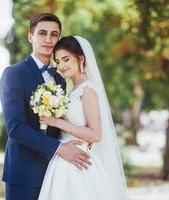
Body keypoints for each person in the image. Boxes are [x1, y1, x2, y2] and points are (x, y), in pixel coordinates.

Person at [0, 14, 91, 200]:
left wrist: (79, 138)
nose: (48, 39)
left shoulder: (60, 79)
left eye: (54, 34)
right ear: (30, 36)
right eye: (42, 33)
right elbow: (15, 128)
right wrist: (60, 148)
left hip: (57, 172)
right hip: (23, 172)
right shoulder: (14, 74)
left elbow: (58, 122)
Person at [38, 36, 128, 200]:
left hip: (78, 163)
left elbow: (95, 135)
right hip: (64, 158)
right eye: (58, 61)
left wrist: (57, 122)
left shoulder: (87, 90)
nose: (61, 66)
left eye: (66, 59)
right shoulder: (72, 90)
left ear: (81, 59)